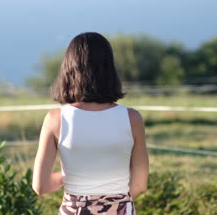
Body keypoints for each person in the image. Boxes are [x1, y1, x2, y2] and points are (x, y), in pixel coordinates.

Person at [32, 32, 149, 215]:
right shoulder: (132, 118)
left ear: (69, 69)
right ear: (109, 69)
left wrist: (70, 177)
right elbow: (140, 185)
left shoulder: (55, 119)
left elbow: (40, 186)